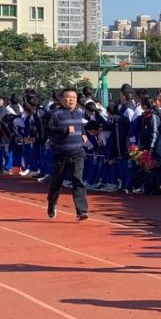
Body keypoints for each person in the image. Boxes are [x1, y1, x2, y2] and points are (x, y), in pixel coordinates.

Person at [46, 87, 89, 221]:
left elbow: (81, 126)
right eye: (68, 97)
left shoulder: (79, 113)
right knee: (57, 183)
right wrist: (64, 129)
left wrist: (83, 134)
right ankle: (51, 204)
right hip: (61, 154)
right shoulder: (55, 114)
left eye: (74, 98)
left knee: (78, 180)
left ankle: (81, 211)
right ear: (61, 99)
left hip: (78, 153)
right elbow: (48, 129)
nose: (71, 100)